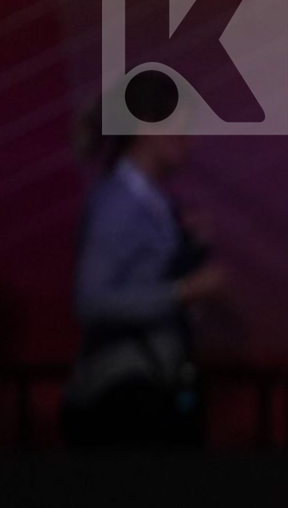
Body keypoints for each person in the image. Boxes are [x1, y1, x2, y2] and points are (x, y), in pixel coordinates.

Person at [61, 73, 224, 449]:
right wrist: (183, 291)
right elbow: (91, 300)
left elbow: (145, 279)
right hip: (121, 401)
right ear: (147, 128)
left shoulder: (154, 203)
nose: (191, 143)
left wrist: (191, 253)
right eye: (181, 131)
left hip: (155, 385)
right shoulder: (118, 203)